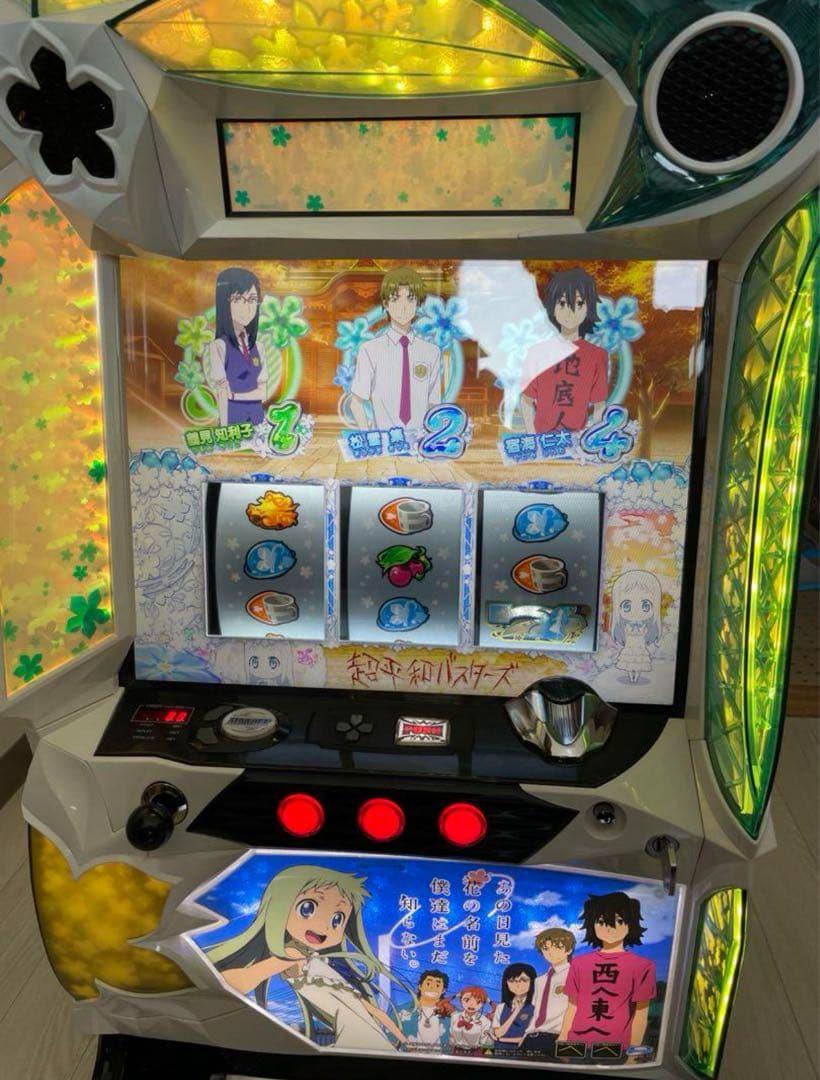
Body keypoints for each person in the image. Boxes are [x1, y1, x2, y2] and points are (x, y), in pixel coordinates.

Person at [205, 864, 408, 1052]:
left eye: (337, 919)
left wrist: (407, 1043)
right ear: (279, 906)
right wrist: (210, 984)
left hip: (368, 1037)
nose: (325, 926)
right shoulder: (293, 955)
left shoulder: (322, 964)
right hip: (356, 1040)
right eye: (308, 908)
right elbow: (237, 980)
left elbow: (374, 1011)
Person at [558, 891, 656, 1057]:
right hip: (577, 1046)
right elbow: (572, 1007)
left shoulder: (643, 966)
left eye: (619, 921)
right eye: (601, 921)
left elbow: (641, 1014)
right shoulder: (579, 963)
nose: (609, 928)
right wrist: (562, 1041)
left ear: (630, 924)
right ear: (592, 925)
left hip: (617, 1049)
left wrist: (633, 1054)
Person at [350, 268, 441, 431]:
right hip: (383, 438)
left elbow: (434, 403)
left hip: (419, 441)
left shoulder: (432, 352)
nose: (403, 307)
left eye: (410, 299)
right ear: (386, 303)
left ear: (418, 303)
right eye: (395, 299)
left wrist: (430, 437)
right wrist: (368, 437)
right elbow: (356, 402)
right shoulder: (369, 350)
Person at [520, 267, 608, 434]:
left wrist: (592, 441)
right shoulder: (537, 353)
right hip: (544, 442)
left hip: (578, 442)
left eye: (579, 303)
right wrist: (534, 438)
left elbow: (599, 405)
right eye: (562, 303)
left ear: (588, 307)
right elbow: (526, 400)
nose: (570, 311)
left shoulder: (597, 356)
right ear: (552, 307)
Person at [203, 267, 271, 426]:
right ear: (224, 302)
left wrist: (234, 396)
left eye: (252, 299)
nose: (247, 307)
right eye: (238, 299)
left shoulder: (259, 347)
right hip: (232, 423)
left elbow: (263, 392)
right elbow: (223, 394)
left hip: (257, 421)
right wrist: (224, 430)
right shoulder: (219, 346)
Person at [520, 927, 576, 1058]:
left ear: (568, 950)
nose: (550, 953)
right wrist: (525, 1034)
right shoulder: (539, 980)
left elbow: (576, 1008)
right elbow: (537, 1012)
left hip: (558, 1037)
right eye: (546, 948)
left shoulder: (574, 974)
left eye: (556, 947)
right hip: (532, 1037)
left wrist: (565, 1037)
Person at [610, 570, 662, 684]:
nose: (635, 612)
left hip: (640, 647)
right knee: (629, 663)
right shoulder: (625, 626)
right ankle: (631, 677)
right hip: (629, 647)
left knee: (639, 664)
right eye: (627, 606)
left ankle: (636, 678)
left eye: (645, 606)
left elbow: (645, 634)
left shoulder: (645, 626)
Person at [399, 969, 454, 1051]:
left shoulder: (452, 1014)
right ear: (420, 986)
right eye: (428, 983)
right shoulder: (401, 1010)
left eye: (437, 985)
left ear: (443, 990)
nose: (432, 987)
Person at [491, 962, 536, 1054]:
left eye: (523, 980)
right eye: (512, 980)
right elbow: (498, 1033)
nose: (517, 984)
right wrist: (516, 1012)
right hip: (499, 1053)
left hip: (523, 1054)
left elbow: (527, 1038)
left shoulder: (536, 1007)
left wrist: (501, 1039)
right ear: (506, 983)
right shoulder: (501, 1007)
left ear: (532, 982)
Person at [448, 986, 493, 1054]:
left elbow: (488, 1044)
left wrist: (487, 1058)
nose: (471, 1004)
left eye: (478, 1001)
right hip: (456, 1052)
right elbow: (451, 1038)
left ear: (483, 1004)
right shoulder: (455, 1017)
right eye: (466, 1000)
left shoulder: (486, 1022)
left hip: (476, 1054)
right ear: (461, 1000)